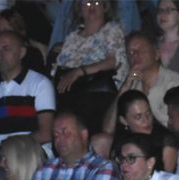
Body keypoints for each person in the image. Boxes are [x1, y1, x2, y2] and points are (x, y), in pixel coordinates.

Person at [0, 31, 55, 153]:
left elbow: (46, 134)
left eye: (6, 49)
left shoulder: (40, 84)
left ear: (22, 52)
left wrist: (9, 148)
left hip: (31, 152)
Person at [54, 0, 127, 135]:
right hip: (70, 96)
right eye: (87, 3)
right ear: (79, 9)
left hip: (97, 97)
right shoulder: (72, 37)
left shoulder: (111, 30)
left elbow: (113, 62)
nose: (92, 6)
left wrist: (80, 71)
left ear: (105, 6)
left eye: (97, 2)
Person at [101, 31, 179, 135]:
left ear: (156, 54)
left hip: (167, 140)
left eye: (142, 50)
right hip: (139, 141)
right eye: (131, 52)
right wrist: (124, 88)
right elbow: (108, 129)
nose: (135, 54)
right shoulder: (132, 85)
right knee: (101, 140)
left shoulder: (175, 84)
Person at [92, 90, 179, 172]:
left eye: (148, 113)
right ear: (124, 121)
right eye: (138, 117)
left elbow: (166, 177)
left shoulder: (166, 140)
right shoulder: (123, 139)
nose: (146, 120)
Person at [0, 8, 47, 87]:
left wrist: (1, 79)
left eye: (5, 31)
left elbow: (36, 82)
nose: (1, 36)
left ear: (18, 32)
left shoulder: (31, 54)